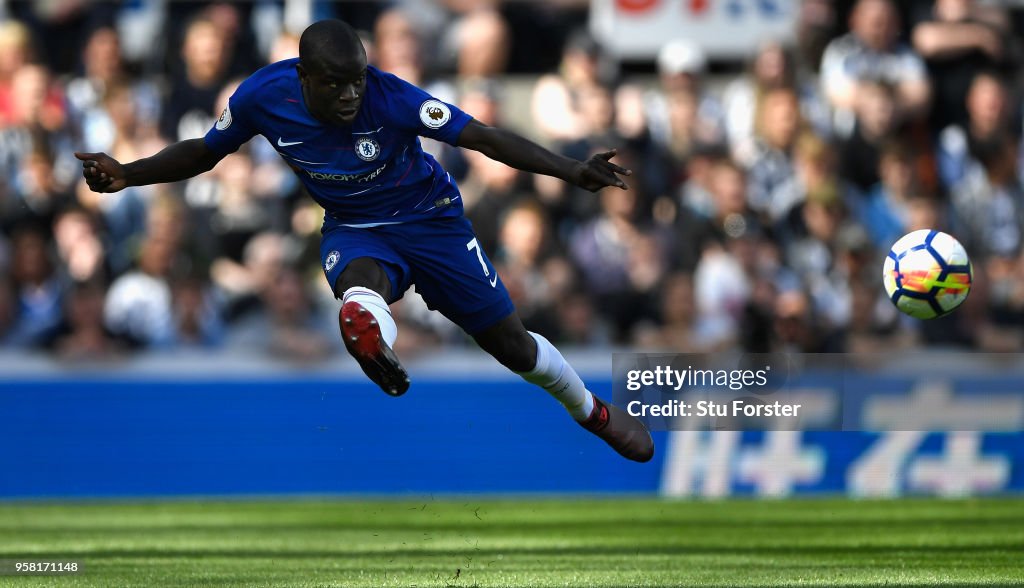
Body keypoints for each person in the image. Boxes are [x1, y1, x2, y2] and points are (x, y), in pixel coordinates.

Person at [74, 19, 653, 463]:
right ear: (302, 79)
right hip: (353, 227)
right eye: (335, 84)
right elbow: (203, 152)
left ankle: (590, 410)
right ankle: (371, 331)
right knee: (359, 288)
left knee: (514, 349)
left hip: (431, 222)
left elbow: (482, 137)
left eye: (356, 81)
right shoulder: (261, 96)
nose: (351, 95)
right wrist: (128, 172)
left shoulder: (391, 96)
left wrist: (570, 170)